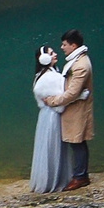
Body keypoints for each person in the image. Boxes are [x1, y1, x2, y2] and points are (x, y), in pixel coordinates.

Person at [49, 29, 93, 189]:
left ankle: (80, 176)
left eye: (64, 44)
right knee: (76, 141)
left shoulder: (81, 65)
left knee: (77, 141)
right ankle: (79, 174)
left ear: (73, 46)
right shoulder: (77, 60)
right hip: (73, 108)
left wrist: (53, 101)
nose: (62, 47)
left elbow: (73, 93)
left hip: (77, 109)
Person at [29, 46, 67, 191]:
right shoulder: (49, 77)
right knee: (53, 145)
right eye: (51, 53)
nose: (55, 54)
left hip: (47, 115)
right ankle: (53, 181)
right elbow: (60, 96)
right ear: (44, 58)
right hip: (52, 115)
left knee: (48, 145)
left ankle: (50, 179)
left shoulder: (46, 74)